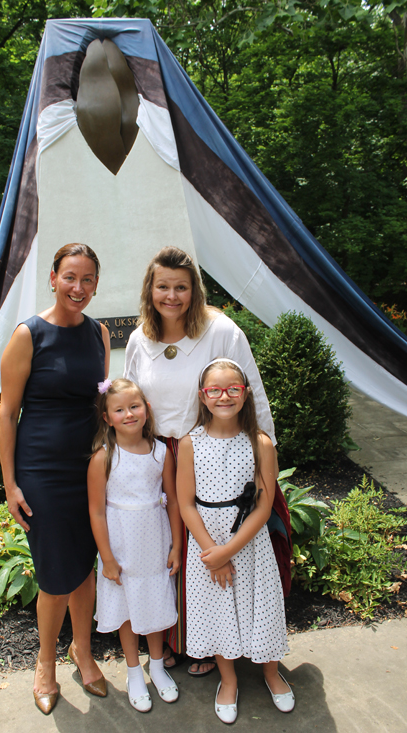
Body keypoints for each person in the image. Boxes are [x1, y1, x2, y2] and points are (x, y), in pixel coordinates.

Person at [123, 246, 277, 676]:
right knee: (163, 549)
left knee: (205, 548)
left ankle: (212, 645)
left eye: (181, 287)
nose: (171, 296)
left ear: (195, 290)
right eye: (163, 287)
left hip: (213, 453)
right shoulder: (140, 338)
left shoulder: (221, 331)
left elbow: (252, 392)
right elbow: (131, 399)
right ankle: (166, 639)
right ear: (149, 290)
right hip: (158, 455)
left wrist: (265, 457)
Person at [0, 243, 110, 715]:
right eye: (70, 277)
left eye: (87, 280)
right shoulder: (29, 334)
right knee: (54, 575)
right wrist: (11, 485)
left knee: (85, 566)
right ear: (53, 278)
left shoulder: (100, 334)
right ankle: (45, 662)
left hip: (87, 466)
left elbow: (99, 403)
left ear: (96, 284)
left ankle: (82, 650)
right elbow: (7, 414)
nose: (78, 288)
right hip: (42, 470)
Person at [177, 358, 294, 724]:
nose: (224, 396)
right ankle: (228, 680)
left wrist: (228, 551)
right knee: (218, 610)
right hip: (206, 542)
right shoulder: (189, 444)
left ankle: (272, 672)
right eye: (215, 389)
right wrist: (213, 552)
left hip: (249, 543)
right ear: (203, 396)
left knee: (262, 606)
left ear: (245, 394)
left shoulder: (260, 443)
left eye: (233, 389)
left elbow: (262, 507)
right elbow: (185, 503)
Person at [88, 378, 182, 713]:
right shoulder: (104, 457)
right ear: (106, 417)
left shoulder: (160, 452)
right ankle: (133, 671)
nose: (129, 414)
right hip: (121, 543)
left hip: (155, 541)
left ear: (147, 409)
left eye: (134, 406)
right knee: (128, 607)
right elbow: (97, 511)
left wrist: (175, 546)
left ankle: (156, 666)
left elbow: (171, 501)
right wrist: (107, 558)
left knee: (154, 601)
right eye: (119, 409)